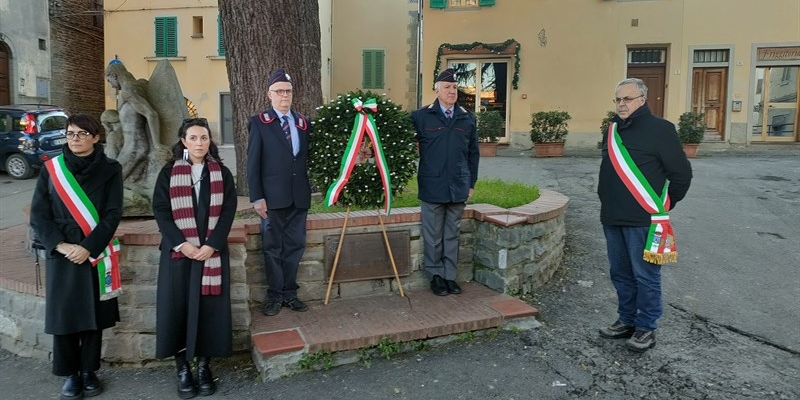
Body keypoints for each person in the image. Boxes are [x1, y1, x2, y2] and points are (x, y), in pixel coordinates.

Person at [29, 114, 123, 400]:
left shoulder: (110, 169)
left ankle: (89, 370)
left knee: (93, 316)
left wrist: (88, 247)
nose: (75, 139)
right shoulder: (52, 169)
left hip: (93, 253)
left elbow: (112, 213)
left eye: (82, 134)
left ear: (96, 137)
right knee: (65, 316)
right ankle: (69, 373)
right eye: (71, 134)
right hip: (63, 253)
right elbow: (39, 213)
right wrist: (60, 245)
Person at [597, 78, 693, 352]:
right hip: (612, 216)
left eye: (627, 99)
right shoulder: (613, 129)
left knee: (646, 276)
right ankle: (626, 319)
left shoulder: (661, 129)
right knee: (620, 274)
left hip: (643, 220)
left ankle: (646, 327)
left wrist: (665, 205)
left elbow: (681, 174)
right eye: (617, 100)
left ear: (642, 99)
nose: (621, 104)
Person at [152, 118, 237, 398]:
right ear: (183, 141)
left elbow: (228, 211)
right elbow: (161, 211)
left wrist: (212, 244)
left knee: (209, 311)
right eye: (193, 138)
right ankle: (182, 368)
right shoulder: (169, 173)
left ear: (210, 140)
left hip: (211, 254)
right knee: (177, 310)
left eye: (204, 138)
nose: (199, 143)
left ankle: (203, 366)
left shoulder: (221, 173)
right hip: (180, 256)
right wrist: (181, 244)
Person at [247, 68, 312, 316]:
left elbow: (305, 158)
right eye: (279, 92)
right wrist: (257, 198)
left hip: (298, 196)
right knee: (273, 248)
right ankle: (274, 296)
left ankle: (290, 294)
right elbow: (253, 163)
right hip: (271, 200)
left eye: (288, 91)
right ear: (269, 94)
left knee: (295, 247)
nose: (285, 96)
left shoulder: (303, 123)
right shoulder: (259, 123)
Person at [411, 68, 480, 296]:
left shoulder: (467, 118)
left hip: (458, 185)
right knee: (432, 236)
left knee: (452, 233)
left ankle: (450, 276)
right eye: (447, 87)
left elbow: (473, 153)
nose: (452, 91)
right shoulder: (421, 117)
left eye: (454, 88)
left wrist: (471, 183)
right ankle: (436, 276)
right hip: (432, 185)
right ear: (437, 90)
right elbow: (402, 140)